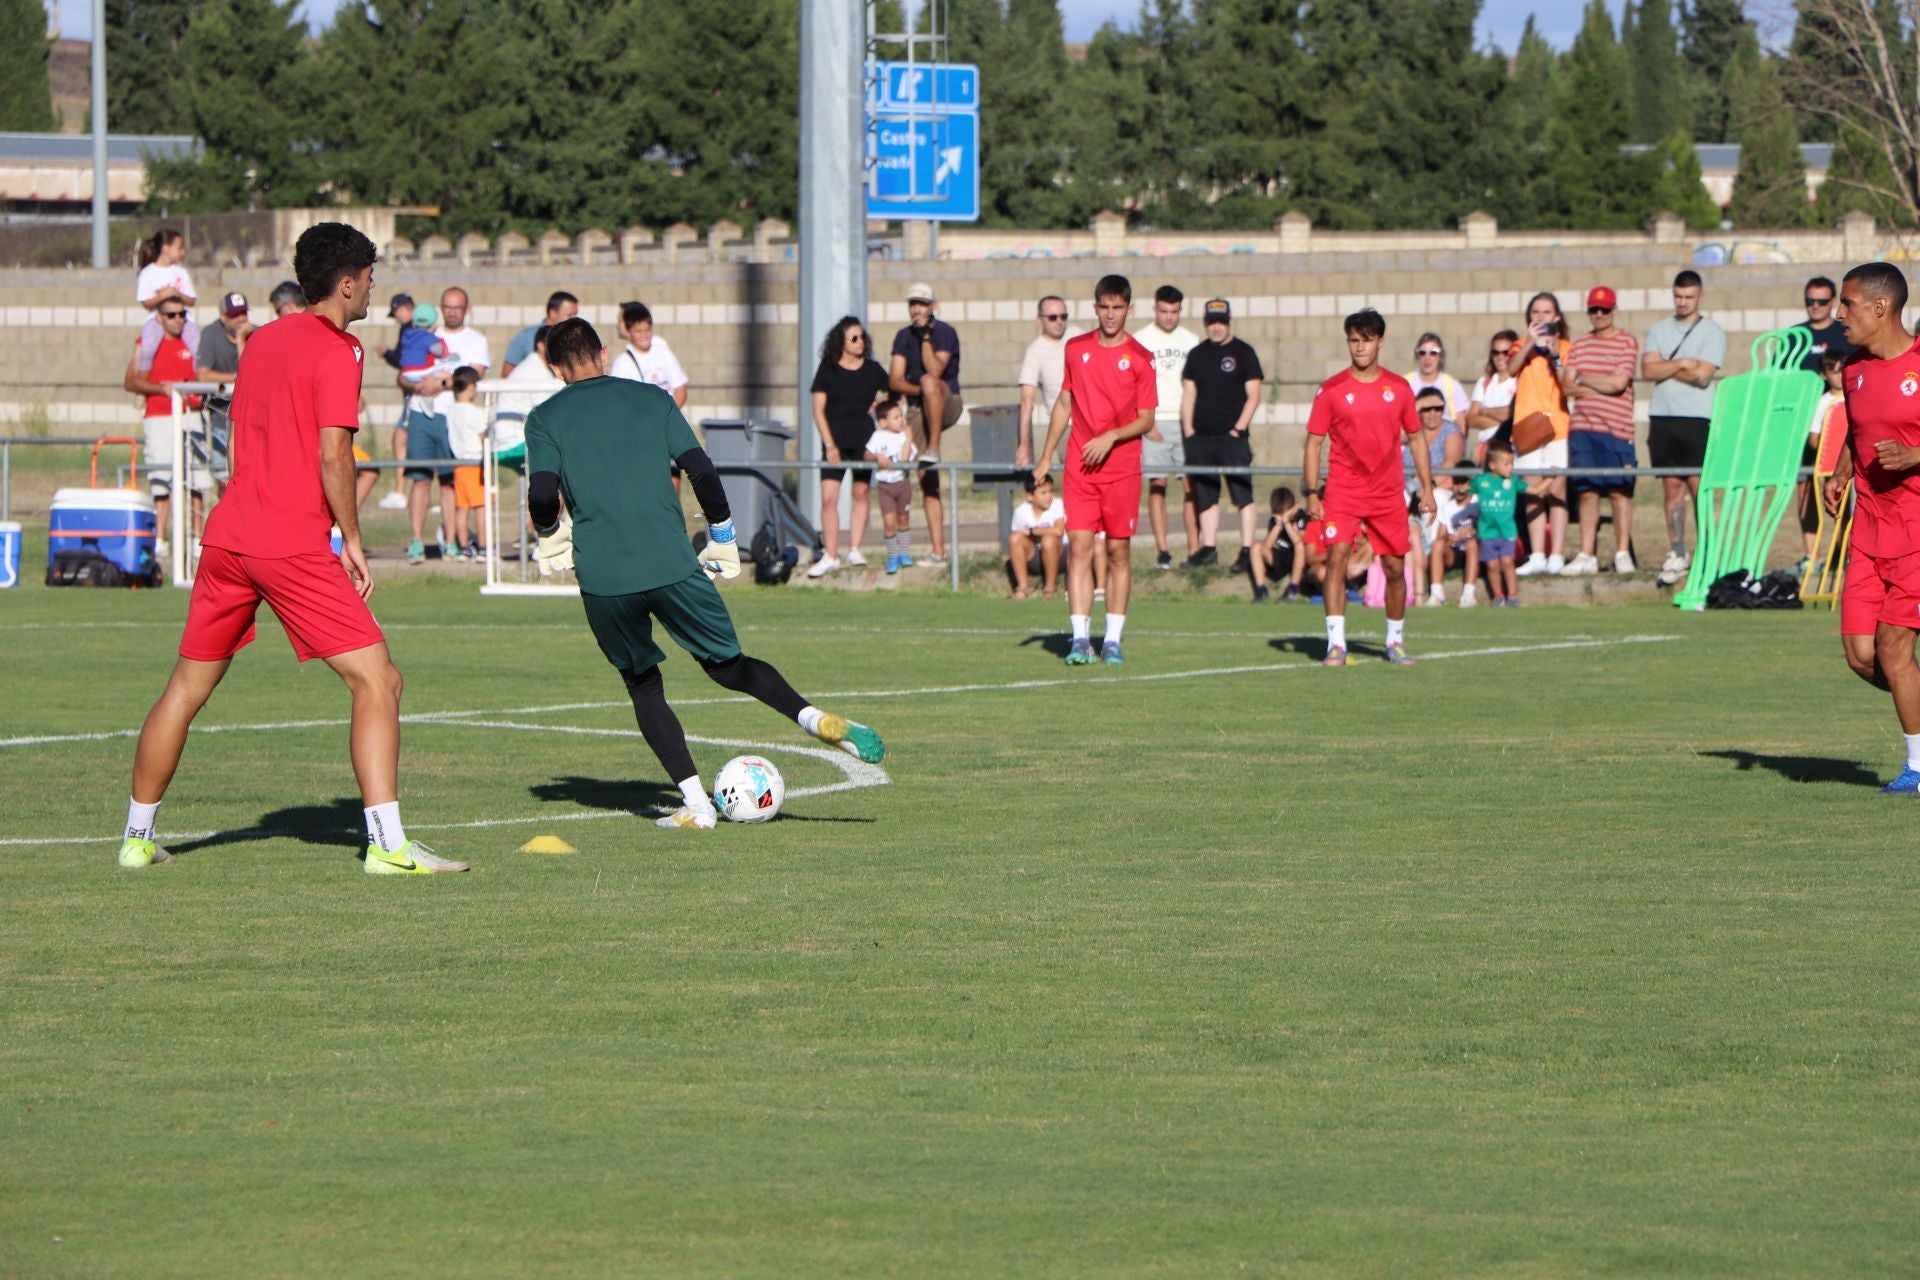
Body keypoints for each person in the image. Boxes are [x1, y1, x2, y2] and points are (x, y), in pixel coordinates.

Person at [116, 222, 464, 875]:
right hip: (287, 544)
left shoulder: (264, 340)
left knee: (184, 690)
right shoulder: (342, 348)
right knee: (379, 681)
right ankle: (389, 847)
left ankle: (136, 839)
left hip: (227, 536)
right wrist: (352, 539)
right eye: (370, 279)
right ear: (349, 282)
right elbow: (335, 451)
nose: (371, 292)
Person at [523, 317, 884, 831]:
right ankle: (810, 717)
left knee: (643, 684)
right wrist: (721, 532)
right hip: (672, 564)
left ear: (555, 367)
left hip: (605, 577)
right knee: (729, 667)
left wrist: (549, 530)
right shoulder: (652, 398)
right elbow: (701, 469)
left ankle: (696, 805)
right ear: (603, 354)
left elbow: (541, 493)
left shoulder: (545, 417)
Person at [1822, 262, 1920, 791]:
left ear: (1881, 307)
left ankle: (1918, 769)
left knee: (1893, 648)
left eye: (1848, 303)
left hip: (1917, 535)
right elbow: (1857, 430)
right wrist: (1841, 472)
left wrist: (1916, 455)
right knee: (1862, 657)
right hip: (1869, 534)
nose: (1840, 314)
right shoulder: (1855, 369)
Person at [1031, 274, 1156, 665]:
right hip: (1080, 469)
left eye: (1118, 308)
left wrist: (1111, 437)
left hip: (1121, 470)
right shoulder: (1076, 348)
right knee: (1080, 548)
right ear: (1095, 307)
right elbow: (1064, 405)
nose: (1111, 315)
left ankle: (1113, 640)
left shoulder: (1140, 357)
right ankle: (1080, 639)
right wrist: (1046, 454)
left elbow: (1147, 419)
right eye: (1104, 307)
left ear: (1129, 310)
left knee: (1118, 551)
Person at [1303, 307, 1435, 666]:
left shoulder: (1399, 388)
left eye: (1366, 340)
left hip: (1387, 492)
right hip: (1344, 490)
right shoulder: (1330, 390)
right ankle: (1336, 644)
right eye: (1353, 340)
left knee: (1394, 568)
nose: (1359, 347)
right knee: (1337, 560)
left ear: (1380, 342)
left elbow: (1417, 439)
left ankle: (1395, 641)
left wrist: (1427, 487)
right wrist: (1312, 491)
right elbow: (1314, 442)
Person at [1643, 269, 1727, 586]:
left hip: (1696, 418)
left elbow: (1702, 375)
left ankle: (1708, 550)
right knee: (1672, 488)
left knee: (1698, 485)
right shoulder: (1659, 329)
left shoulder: (1712, 332)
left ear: (1699, 297)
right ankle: (1677, 550)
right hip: (1663, 417)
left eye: (1689, 297)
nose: (1682, 302)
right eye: (1678, 296)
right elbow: (1648, 369)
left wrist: (1667, 365)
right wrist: (1682, 363)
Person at [1180, 298, 1265, 575]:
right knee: (1205, 495)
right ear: (1205, 322)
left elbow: (1253, 396)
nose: (1216, 327)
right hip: (1201, 439)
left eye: (1221, 322)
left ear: (1228, 322)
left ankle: (1246, 549)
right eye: (1212, 322)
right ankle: (1208, 548)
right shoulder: (1196, 355)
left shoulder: (1244, 352)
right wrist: (1190, 432)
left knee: (1242, 494)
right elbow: (1189, 395)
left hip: (1232, 438)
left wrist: (1238, 429)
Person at [1560, 285, 1640, 576]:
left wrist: (1586, 380)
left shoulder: (1626, 342)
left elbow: (1619, 383)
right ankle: (1587, 553)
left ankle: (1621, 553)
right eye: (1594, 309)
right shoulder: (1580, 345)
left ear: (1613, 311)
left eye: (1604, 310)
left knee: (1620, 492)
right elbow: (1568, 386)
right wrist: (1601, 383)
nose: (1599, 315)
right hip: (1583, 429)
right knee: (1587, 492)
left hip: (1616, 429)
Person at [122, 299, 208, 555]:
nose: (178, 319)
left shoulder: (193, 343)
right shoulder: (148, 344)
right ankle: (161, 538)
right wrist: (163, 388)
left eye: (182, 314)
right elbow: (131, 381)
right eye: (172, 315)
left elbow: (203, 375)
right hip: (160, 416)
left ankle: (196, 538)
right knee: (162, 479)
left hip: (191, 414)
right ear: (159, 317)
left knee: (196, 476)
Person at [807, 316, 889, 576]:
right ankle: (831, 554)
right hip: (836, 443)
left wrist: (878, 404)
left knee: (861, 493)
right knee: (829, 498)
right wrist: (830, 444)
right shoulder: (828, 369)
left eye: (862, 336)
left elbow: (890, 393)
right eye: (854, 338)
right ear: (841, 342)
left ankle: (854, 549)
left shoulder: (873, 369)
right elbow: (818, 410)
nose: (860, 342)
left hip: (863, 441)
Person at [888, 283, 962, 564]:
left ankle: (934, 446)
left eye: (922, 303)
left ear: (933, 306)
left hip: (948, 401)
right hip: (920, 407)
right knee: (926, 481)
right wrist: (921, 392)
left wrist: (926, 338)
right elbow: (895, 379)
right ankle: (938, 551)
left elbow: (935, 371)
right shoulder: (902, 337)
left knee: (930, 381)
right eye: (913, 304)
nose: (917, 309)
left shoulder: (944, 333)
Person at [1134, 285, 1201, 569]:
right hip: (1155, 420)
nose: (1169, 317)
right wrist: (1145, 423)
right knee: (1157, 483)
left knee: (1190, 485)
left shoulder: (1192, 340)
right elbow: (1133, 384)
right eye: (1164, 311)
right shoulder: (1140, 339)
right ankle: (1163, 550)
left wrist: (1194, 423)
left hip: (1186, 422)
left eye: (1174, 312)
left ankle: (1195, 549)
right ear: (1155, 309)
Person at [1508, 292, 1571, 577]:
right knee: (1533, 492)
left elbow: (1566, 381)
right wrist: (1530, 344)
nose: (1541, 317)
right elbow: (1510, 370)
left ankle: (1556, 553)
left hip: (1557, 427)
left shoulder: (1568, 347)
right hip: (1529, 429)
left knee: (1557, 491)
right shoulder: (1520, 346)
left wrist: (1554, 353)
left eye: (1547, 312)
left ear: (1557, 316)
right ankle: (1537, 554)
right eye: (1536, 312)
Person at [396, 302, 458, 563]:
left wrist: (439, 382)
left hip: (446, 416)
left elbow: (465, 377)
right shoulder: (422, 341)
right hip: (419, 415)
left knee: (448, 481)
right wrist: (417, 385)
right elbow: (402, 375)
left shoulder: (459, 342)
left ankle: (451, 542)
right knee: (420, 479)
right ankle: (417, 541)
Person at [1413, 387, 1468, 605]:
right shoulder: (1411, 431)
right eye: (1426, 408)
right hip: (1410, 486)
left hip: (1439, 486)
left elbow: (1449, 463)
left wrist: (1427, 486)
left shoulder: (1451, 432)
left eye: (1438, 408)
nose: (1433, 413)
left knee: (1435, 499)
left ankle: (1429, 556)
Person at [1799, 348, 1849, 570]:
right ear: (1824, 373)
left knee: (1854, 513)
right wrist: (1831, 449)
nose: (1837, 376)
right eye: (1832, 371)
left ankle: (1849, 553)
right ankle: (1834, 557)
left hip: (1855, 468)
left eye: (1841, 371)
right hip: (1831, 468)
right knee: (1838, 513)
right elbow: (1813, 438)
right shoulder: (1823, 402)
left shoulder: (1854, 396)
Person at [1016, 295, 1074, 469]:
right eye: (1052, 317)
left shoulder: (1078, 336)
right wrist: (1024, 445)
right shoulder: (1035, 351)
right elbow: (1026, 401)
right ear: (1039, 320)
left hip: (1095, 420)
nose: (1059, 321)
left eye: (1063, 316)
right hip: (1066, 425)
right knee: (1077, 476)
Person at [134, 228, 201, 374]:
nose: (183, 252)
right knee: (148, 348)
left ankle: (199, 383)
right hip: (156, 319)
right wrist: (162, 296)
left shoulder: (181, 272)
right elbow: (146, 303)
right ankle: (143, 378)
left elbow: (191, 301)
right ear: (166, 248)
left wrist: (177, 294)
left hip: (184, 318)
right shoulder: (148, 273)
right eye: (179, 248)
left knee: (198, 348)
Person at [864, 396, 917, 573]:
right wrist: (877, 457)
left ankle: (903, 553)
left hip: (902, 484)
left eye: (901, 416)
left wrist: (909, 438)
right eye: (895, 417)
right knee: (889, 522)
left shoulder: (904, 437)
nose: (900, 420)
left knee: (903, 519)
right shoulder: (878, 436)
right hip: (885, 486)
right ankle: (892, 556)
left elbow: (904, 458)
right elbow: (867, 454)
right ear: (883, 422)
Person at [1471, 441, 1524, 606]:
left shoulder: (1513, 482)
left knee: (1508, 562)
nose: (1510, 467)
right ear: (1492, 465)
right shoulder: (1481, 481)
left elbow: (1534, 490)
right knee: (1492, 565)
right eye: (1507, 464)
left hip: (1507, 531)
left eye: (1512, 463)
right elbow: (1465, 490)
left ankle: (1513, 596)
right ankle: (1498, 596)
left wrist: (1550, 480)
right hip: (1487, 532)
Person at [609, 301, 689, 408]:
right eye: (639, 331)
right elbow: (620, 401)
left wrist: (668, 416)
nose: (644, 335)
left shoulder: (663, 352)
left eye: (647, 330)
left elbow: (680, 389)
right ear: (629, 332)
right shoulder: (622, 363)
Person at [447, 366, 489, 560]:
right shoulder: (474, 412)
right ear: (471, 387)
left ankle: (464, 547)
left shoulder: (451, 410)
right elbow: (483, 437)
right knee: (481, 508)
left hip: (459, 464)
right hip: (474, 464)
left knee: (461, 509)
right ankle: (483, 547)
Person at [1009, 473, 1066, 599]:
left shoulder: (1057, 504)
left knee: (1048, 539)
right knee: (1014, 537)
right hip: (1036, 553)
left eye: (1050, 491)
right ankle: (1024, 587)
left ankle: (1050, 589)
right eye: (1043, 493)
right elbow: (1018, 538)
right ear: (1030, 496)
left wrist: (1032, 531)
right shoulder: (1021, 512)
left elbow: (1058, 530)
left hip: (1060, 553)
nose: (1049, 496)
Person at [1467, 330, 1520, 463]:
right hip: (1486, 449)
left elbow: (1514, 414)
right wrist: (1505, 420)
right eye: (1495, 352)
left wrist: (1484, 412)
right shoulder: (1484, 383)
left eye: (1505, 352)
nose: (1500, 357)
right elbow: (1472, 419)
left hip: (1510, 448)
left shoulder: (1520, 381)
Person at [503, 290, 578, 377]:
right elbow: (507, 375)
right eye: (569, 315)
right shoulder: (525, 337)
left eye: (575, 315)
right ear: (553, 313)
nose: (573, 320)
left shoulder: (574, 340)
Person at [1405, 332, 1471, 426]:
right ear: (1417, 356)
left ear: (1440, 356)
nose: (1427, 358)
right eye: (1422, 353)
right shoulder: (1405, 383)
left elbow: (1461, 425)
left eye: (1433, 353)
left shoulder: (1452, 385)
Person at [1250, 486, 1301, 602]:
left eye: (1285, 513)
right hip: (1281, 558)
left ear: (1295, 507)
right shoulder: (1274, 522)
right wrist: (1278, 525)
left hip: (1298, 559)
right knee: (1256, 547)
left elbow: (1299, 542)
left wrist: (1287, 523)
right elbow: (1266, 546)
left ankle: (1293, 589)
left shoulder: (1301, 517)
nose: (1283, 517)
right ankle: (1261, 590)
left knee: (1300, 546)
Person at [1798, 275, 1852, 373]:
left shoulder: (1848, 332)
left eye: (1822, 302)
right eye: (1810, 301)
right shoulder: (1794, 336)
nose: (1815, 306)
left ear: (1833, 301)